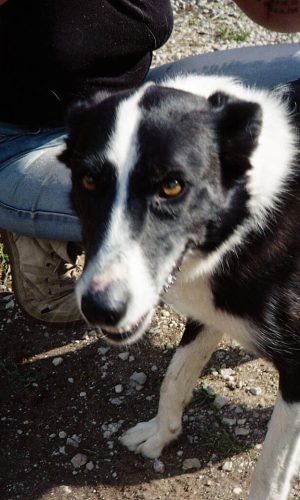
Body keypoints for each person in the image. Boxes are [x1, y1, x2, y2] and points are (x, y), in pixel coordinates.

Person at [0, 0, 299, 325]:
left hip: (127, 104)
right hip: (22, 141)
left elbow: (272, 10)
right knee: (158, 198)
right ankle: (38, 235)